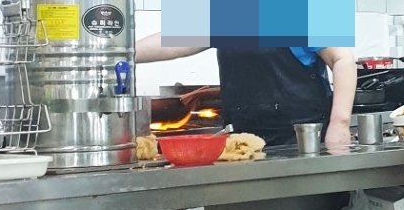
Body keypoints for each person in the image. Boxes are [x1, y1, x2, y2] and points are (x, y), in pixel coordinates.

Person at [135, 38, 357, 150]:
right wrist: (124, 52)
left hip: (301, 142)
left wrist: (340, 124)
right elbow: (174, 40)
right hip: (243, 141)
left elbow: (342, 59)